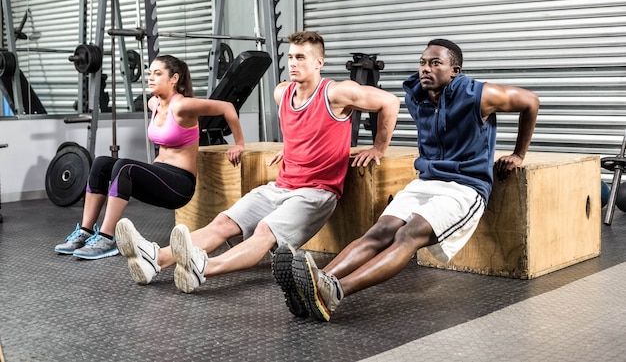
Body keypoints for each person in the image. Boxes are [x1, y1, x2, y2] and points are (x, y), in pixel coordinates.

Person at [114, 31, 400, 306]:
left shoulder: (337, 93)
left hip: (315, 193)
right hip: (280, 186)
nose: (294, 63)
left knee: (265, 231)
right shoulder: (282, 93)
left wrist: (378, 148)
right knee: (223, 223)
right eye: (290, 57)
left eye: (301, 57)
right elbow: (302, 129)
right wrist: (290, 150)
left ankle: (203, 267)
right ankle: (156, 259)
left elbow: (389, 101)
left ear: (319, 63)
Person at [279, 38, 540, 321]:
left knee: (407, 235)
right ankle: (315, 283)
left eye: (435, 63)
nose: (425, 69)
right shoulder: (417, 95)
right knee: (378, 232)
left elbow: (530, 102)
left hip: (465, 187)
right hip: (426, 181)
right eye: (422, 62)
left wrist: (518, 154)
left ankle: (334, 291)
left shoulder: (479, 95)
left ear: (455, 70)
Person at [54, 55, 245, 260]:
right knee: (101, 163)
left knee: (124, 166)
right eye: (149, 74)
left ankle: (107, 238)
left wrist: (239, 143)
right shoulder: (154, 103)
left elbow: (227, 107)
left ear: (174, 79)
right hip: (160, 176)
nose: (150, 78)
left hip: (179, 186)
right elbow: (153, 101)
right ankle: (85, 231)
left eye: (157, 73)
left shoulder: (183, 106)